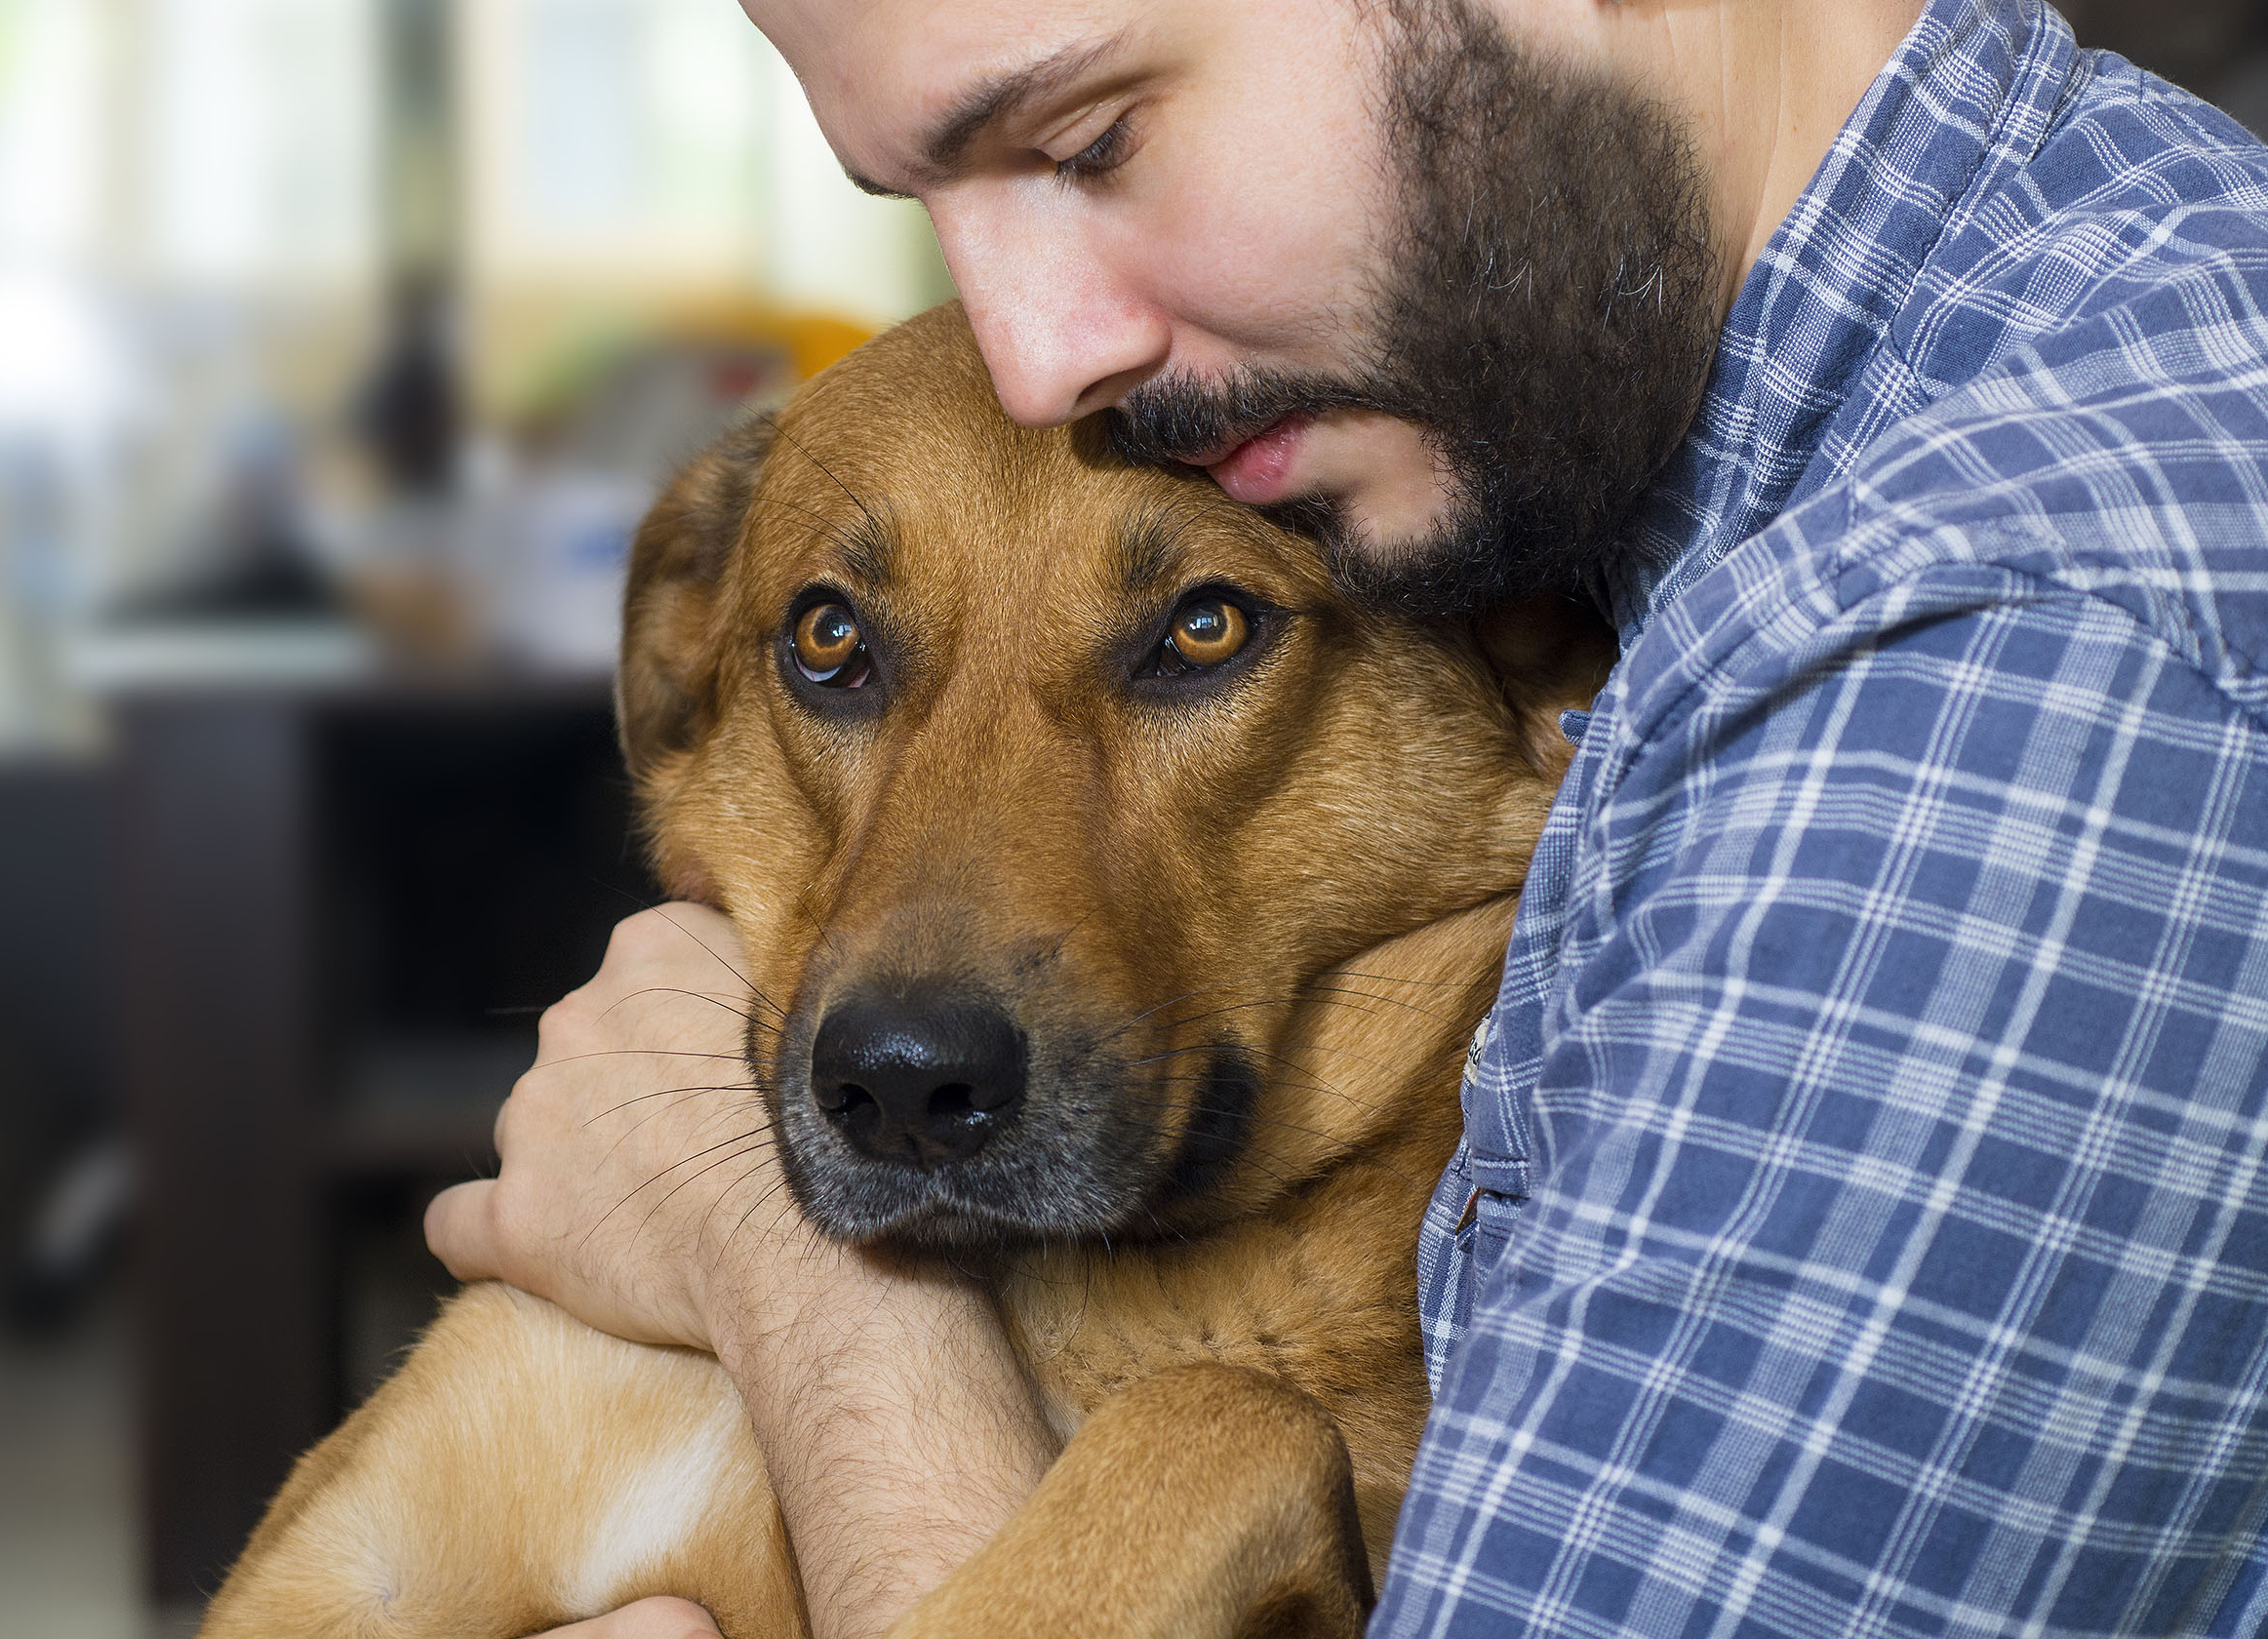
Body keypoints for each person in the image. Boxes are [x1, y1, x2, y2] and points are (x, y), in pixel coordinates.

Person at [426, 0, 2268, 1633]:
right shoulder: (1700, 473)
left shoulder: (2005, 662)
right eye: (926, 205)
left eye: (1092, 140)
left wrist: (799, 1289)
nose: (1028, 356)